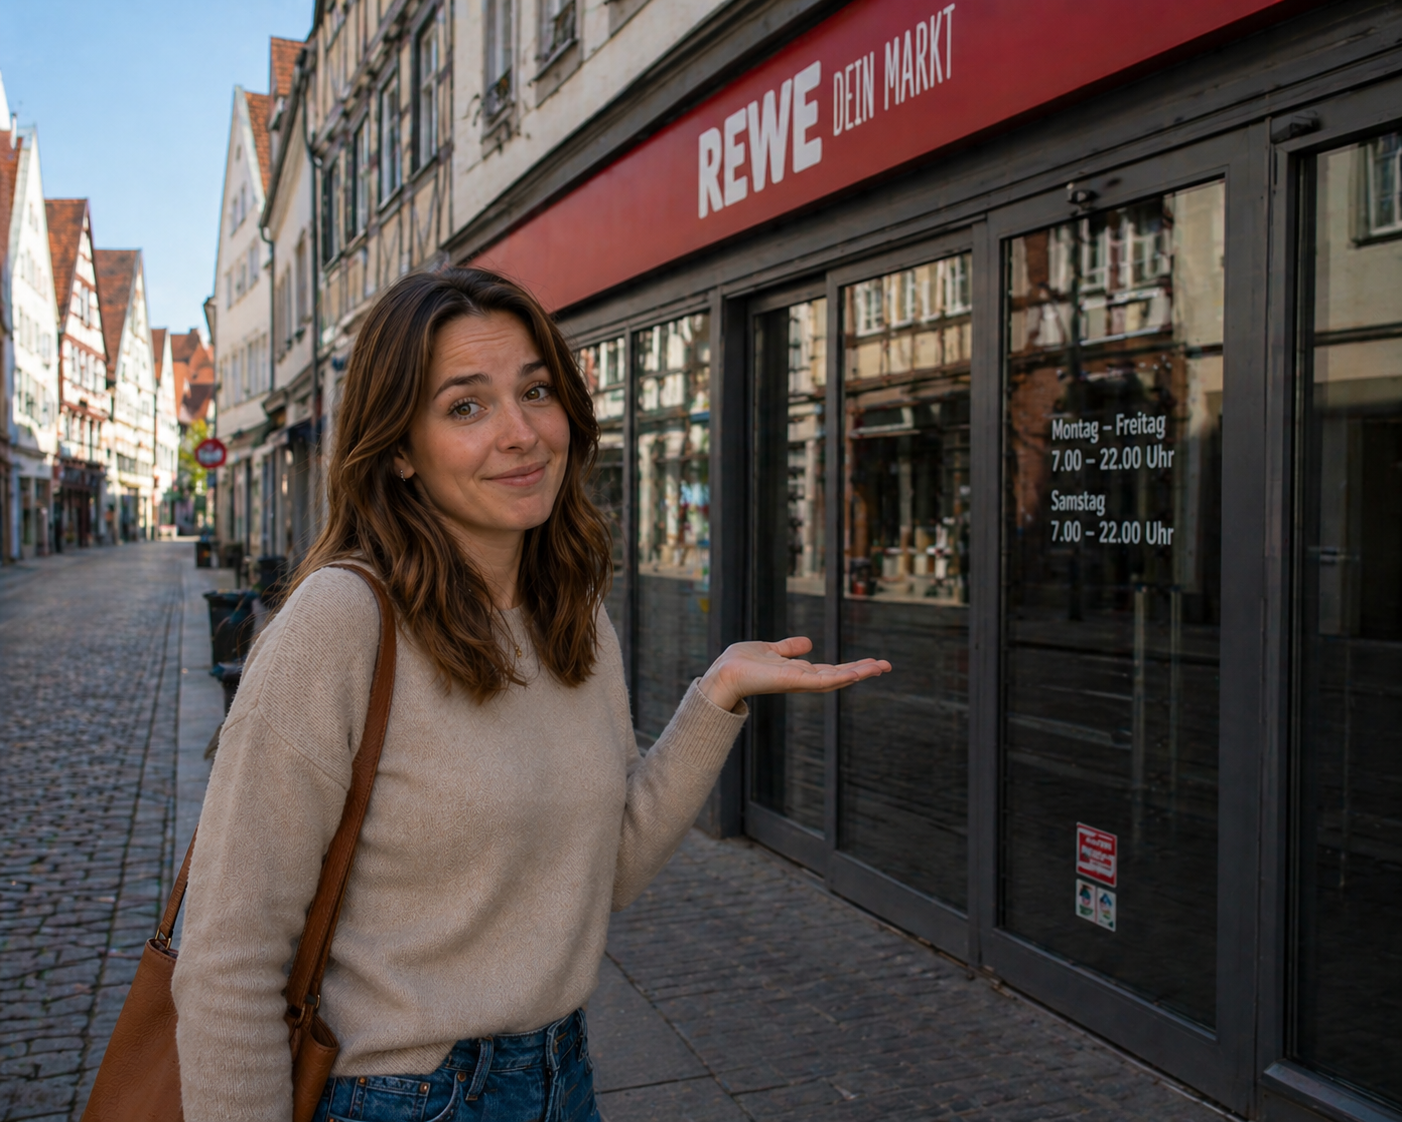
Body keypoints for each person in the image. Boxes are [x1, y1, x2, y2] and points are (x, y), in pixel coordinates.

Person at [171, 267, 890, 1122]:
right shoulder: (340, 621)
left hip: (563, 1077)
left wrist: (717, 696)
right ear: (400, 448)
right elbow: (228, 962)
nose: (521, 433)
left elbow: (602, 872)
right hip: (396, 1095)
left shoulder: (574, 616)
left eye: (537, 391)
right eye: (466, 406)